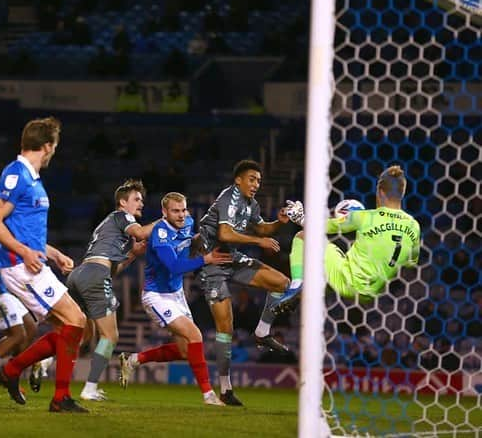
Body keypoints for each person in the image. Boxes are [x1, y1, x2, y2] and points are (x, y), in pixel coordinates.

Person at [0, 116, 88, 413]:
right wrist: (25, 253)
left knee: (67, 328)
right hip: (21, 265)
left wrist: (52, 253)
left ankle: (12, 371)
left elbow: (24, 231)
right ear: (46, 145)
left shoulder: (30, 177)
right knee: (76, 320)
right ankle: (59, 398)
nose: (55, 151)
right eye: (54, 145)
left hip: (30, 262)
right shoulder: (16, 174)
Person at [196, 159, 301, 406]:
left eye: (259, 181)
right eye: (252, 179)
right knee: (226, 329)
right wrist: (257, 242)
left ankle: (262, 332)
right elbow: (224, 234)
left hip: (232, 257)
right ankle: (225, 389)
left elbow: (263, 229)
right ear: (238, 180)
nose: (256, 184)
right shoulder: (228, 198)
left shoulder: (250, 203)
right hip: (213, 263)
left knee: (282, 283)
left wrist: (279, 223)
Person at [118, 192, 232, 405]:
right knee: (195, 335)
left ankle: (133, 360)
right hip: (156, 296)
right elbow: (174, 266)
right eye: (175, 211)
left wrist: (206, 237)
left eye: (183, 210)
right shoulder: (160, 233)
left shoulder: (188, 222)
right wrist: (205, 259)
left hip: (176, 293)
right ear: (164, 212)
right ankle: (208, 395)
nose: (181, 215)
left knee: (184, 351)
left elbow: (190, 243)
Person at [275, 165, 421, 313]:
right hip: (378, 293)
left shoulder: (366, 217)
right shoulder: (414, 226)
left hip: (349, 283)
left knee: (303, 236)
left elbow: (318, 228)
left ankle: (296, 286)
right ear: (402, 193)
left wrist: (299, 217)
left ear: (381, 192)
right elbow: (410, 264)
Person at [66, 179, 156, 401]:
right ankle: (90, 389)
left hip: (80, 274)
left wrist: (133, 254)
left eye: (142, 200)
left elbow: (113, 269)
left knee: (85, 334)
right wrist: (166, 220)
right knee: (111, 335)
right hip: (94, 274)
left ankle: (46, 360)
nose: (141, 204)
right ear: (123, 202)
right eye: (136, 199)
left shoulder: (108, 225)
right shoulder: (122, 216)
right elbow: (143, 233)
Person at [0, 193, 51, 394]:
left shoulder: (2, 234)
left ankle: (10, 373)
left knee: (30, 330)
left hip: (9, 291)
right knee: (17, 334)